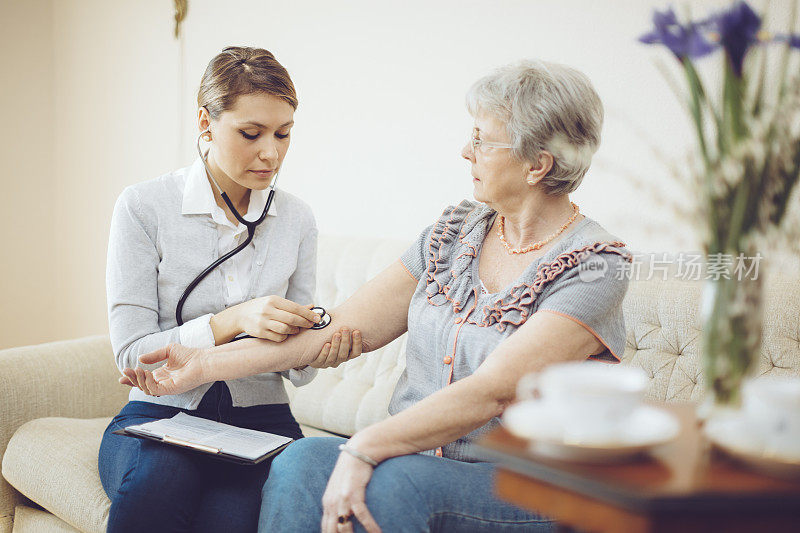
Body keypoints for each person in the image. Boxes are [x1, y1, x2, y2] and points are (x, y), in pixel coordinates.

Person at [122, 59, 631, 533]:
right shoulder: (452, 236)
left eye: (481, 139)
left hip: (526, 484)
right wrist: (203, 364)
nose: (464, 151)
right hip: (414, 462)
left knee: (395, 480)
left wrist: (365, 448)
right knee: (300, 460)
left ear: (536, 165)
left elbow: (494, 389)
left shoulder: (594, 265)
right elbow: (338, 330)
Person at [99, 46, 359, 533]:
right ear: (205, 121)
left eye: (284, 134)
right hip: (161, 416)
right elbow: (132, 355)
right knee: (162, 478)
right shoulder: (143, 206)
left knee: (231, 518)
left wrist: (316, 349)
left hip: (261, 421)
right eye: (251, 133)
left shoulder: (297, 218)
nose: (272, 153)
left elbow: (299, 371)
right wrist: (231, 321)